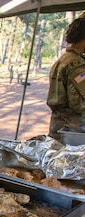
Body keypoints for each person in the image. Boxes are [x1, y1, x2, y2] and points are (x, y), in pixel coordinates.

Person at [47, 13, 85, 141]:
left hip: (60, 129)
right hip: (73, 133)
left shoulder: (63, 60)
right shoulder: (77, 64)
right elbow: (78, 104)